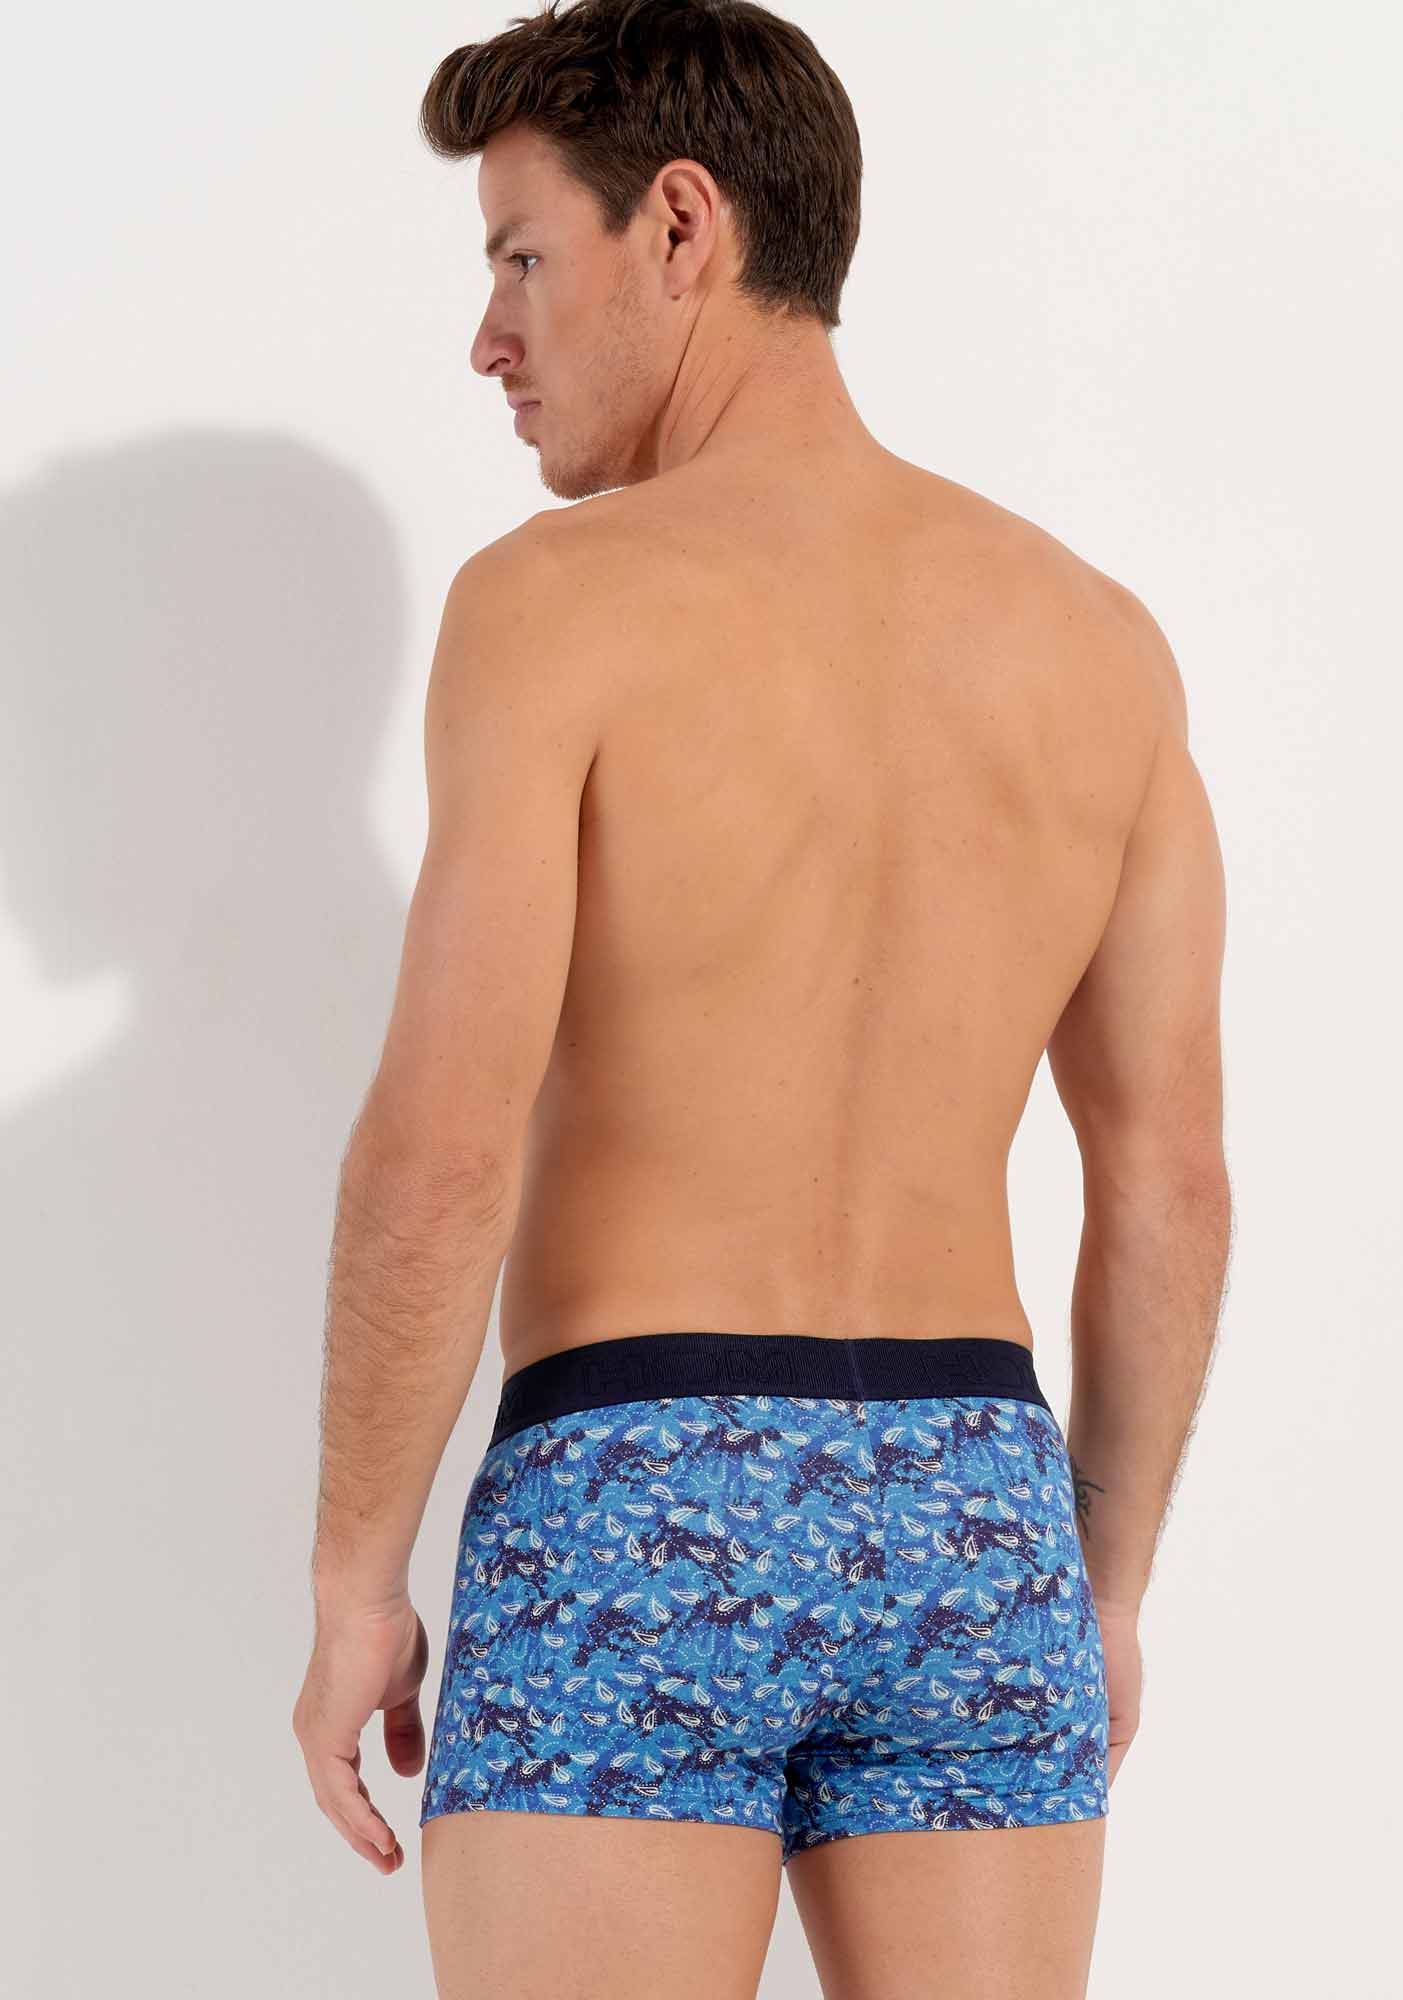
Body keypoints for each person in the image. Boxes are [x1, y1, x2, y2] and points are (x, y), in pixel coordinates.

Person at [291, 2, 1232, 1993]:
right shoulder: (1098, 643)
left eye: (520, 258)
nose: (489, 338)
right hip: (977, 1506)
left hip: (638, 1479)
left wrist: (356, 1573)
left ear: (681, 226)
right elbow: (1167, 1180)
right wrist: (1103, 1582)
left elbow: (441, 1148)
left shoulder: (555, 604)